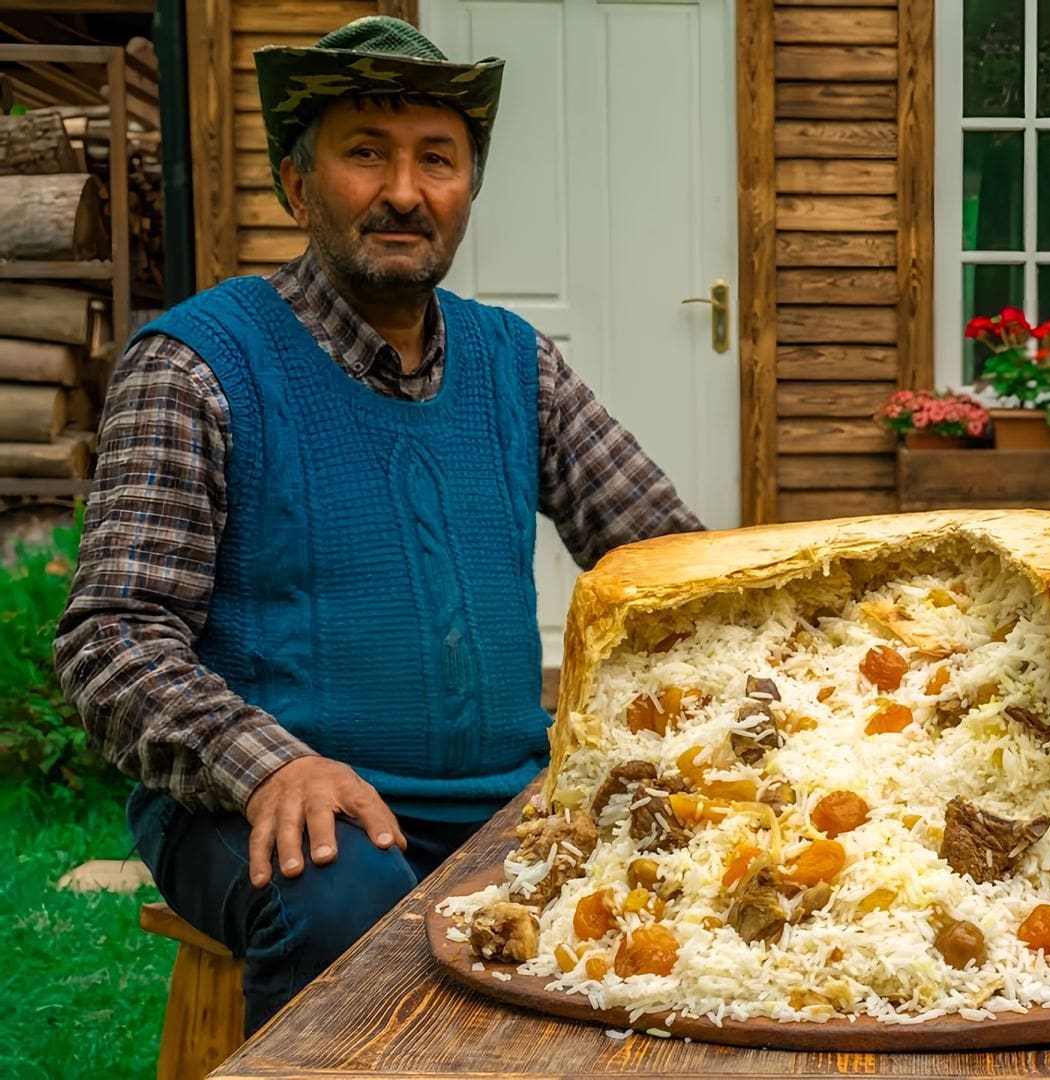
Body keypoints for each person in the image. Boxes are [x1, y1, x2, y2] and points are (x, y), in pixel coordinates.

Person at [54, 16, 703, 1033]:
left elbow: (672, 564)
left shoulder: (514, 365)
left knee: (707, 886)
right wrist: (268, 763)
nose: (406, 190)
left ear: (466, 192)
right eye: (367, 153)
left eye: (436, 159)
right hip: (265, 805)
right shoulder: (197, 365)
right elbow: (112, 641)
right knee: (347, 905)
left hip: (501, 798)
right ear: (296, 184)